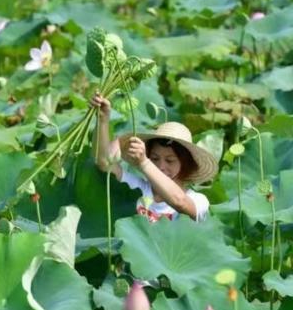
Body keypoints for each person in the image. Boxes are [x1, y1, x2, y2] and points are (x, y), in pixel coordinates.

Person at [91, 93, 218, 222]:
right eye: (155, 158)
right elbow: (104, 163)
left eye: (169, 160)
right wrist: (103, 120)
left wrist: (145, 163)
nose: (161, 166)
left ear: (185, 163)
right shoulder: (138, 190)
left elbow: (180, 202)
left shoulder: (198, 201)